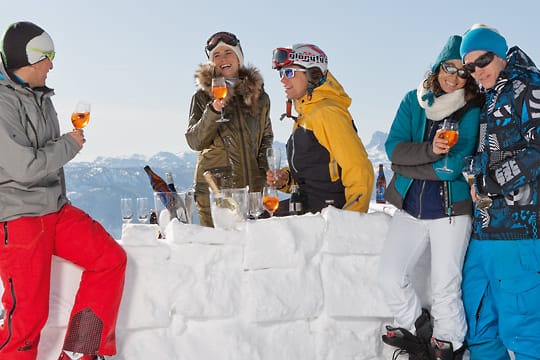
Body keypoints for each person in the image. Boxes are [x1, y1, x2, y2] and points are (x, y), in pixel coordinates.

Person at [0, 21, 126, 360]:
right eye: (48, 56)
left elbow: (46, 155)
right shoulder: (2, 104)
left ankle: (79, 351)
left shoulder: (41, 97)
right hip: (20, 217)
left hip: (54, 209)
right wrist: (70, 144)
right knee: (26, 318)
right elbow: (24, 168)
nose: (52, 64)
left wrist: (63, 148)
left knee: (109, 259)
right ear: (30, 58)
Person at [378, 35, 483, 360]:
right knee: (389, 277)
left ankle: (448, 343)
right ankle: (419, 329)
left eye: (462, 72)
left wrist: (406, 166)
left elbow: (453, 168)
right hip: (410, 209)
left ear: (468, 77)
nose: (453, 76)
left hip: (451, 211)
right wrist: (427, 153)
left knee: (445, 285)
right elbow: (393, 148)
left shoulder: (470, 109)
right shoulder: (414, 101)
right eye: (447, 68)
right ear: (437, 67)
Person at [460, 24, 540, 360]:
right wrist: (471, 171)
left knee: (523, 332)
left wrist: (490, 182)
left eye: (484, 60)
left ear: (501, 54)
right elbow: (490, 153)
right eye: (470, 66)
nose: (477, 71)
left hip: (519, 231)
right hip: (485, 229)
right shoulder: (489, 96)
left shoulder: (529, 87)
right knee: (479, 323)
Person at [268, 44, 373, 214]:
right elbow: (317, 173)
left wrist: (351, 221)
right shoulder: (305, 116)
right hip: (308, 209)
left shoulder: (327, 112)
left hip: (328, 215)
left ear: (313, 74)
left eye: (289, 73)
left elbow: (359, 169)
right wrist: (286, 180)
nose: (283, 80)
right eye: (282, 73)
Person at [186, 31, 273, 227]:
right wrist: (213, 111)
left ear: (239, 58)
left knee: (253, 252)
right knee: (219, 252)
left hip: (252, 193)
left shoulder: (260, 98)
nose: (222, 59)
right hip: (216, 192)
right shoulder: (202, 97)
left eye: (228, 53)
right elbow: (194, 141)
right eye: (216, 55)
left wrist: (264, 176)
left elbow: (265, 141)